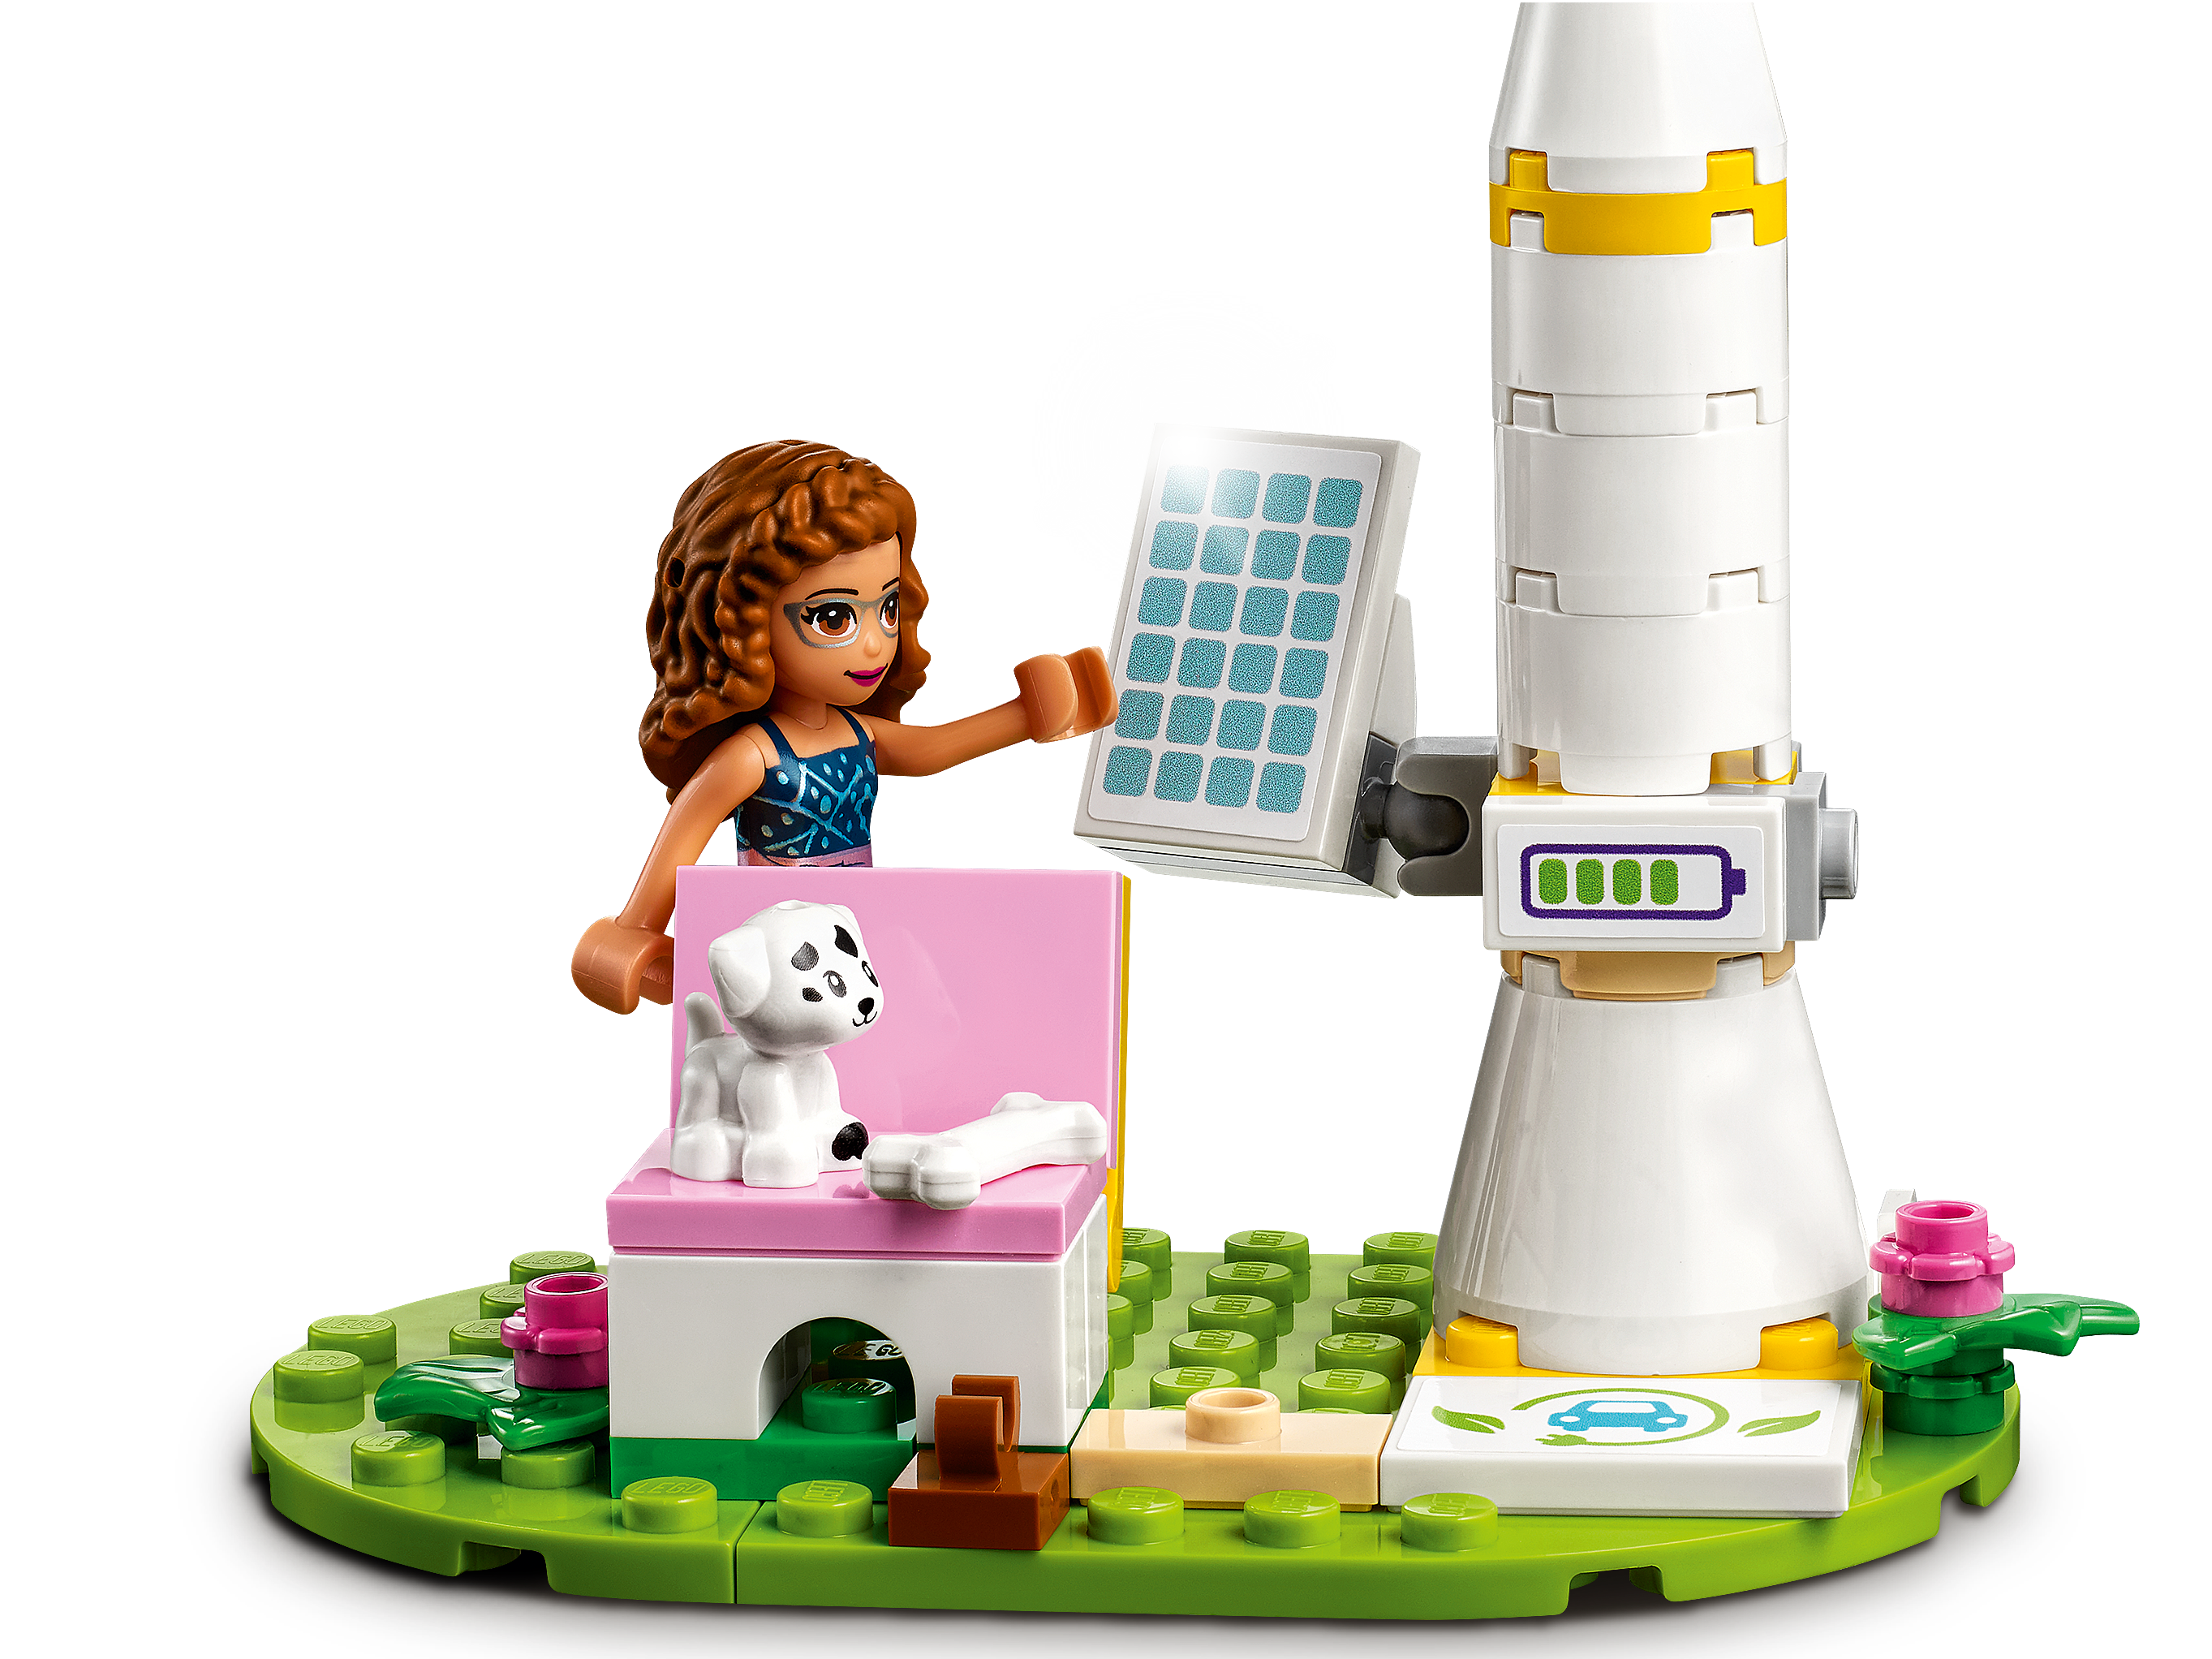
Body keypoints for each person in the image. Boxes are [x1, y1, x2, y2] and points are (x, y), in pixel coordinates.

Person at [572, 439, 1114, 1014]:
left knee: (916, 993)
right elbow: (685, 832)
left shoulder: (859, 733)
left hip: (854, 917)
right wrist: (637, 928)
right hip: (780, 937)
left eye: (887, 609)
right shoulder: (753, 755)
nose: (876, 643)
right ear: (748, 623)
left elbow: (930, 750)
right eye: (833, 617)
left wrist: (1026, 715)